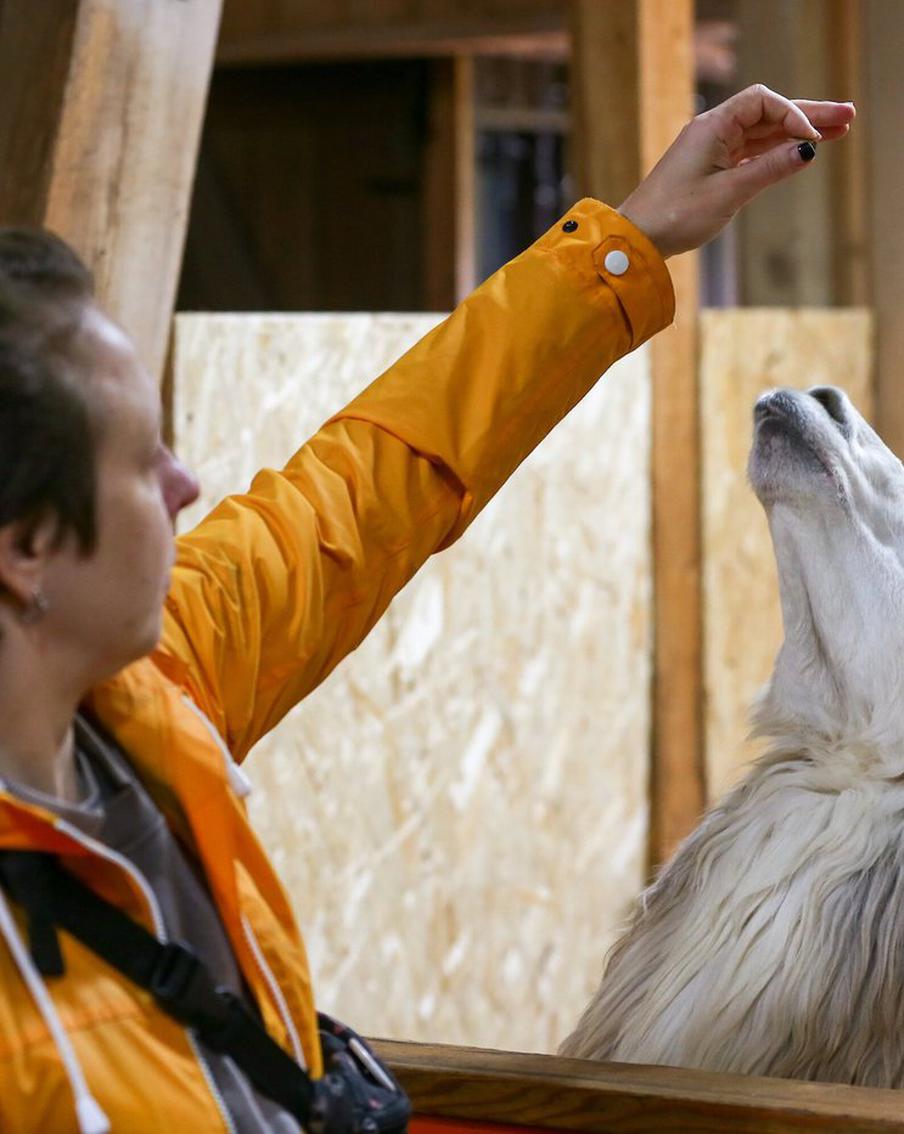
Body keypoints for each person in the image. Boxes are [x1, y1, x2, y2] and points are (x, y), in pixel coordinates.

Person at [0, 84, 854, 1132]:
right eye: (139, 460)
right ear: (28, 549)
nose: (184, 483)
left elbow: (367, 488)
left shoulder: (149, 688)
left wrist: (624, 244)